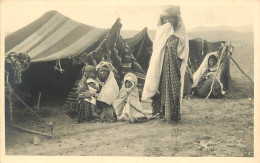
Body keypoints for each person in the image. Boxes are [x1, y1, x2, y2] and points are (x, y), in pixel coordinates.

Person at [141, 6, 189, 122]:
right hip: (162, 66)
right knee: (163, 88)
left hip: (174, 67)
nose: (167, 22)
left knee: (174, 89)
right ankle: (164, 113)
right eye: (165, 19)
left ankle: (173, 115)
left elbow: (183, 51)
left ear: (175, 19)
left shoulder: (180, 32)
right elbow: (157, 51)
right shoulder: (162, 32)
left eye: (170, 19)